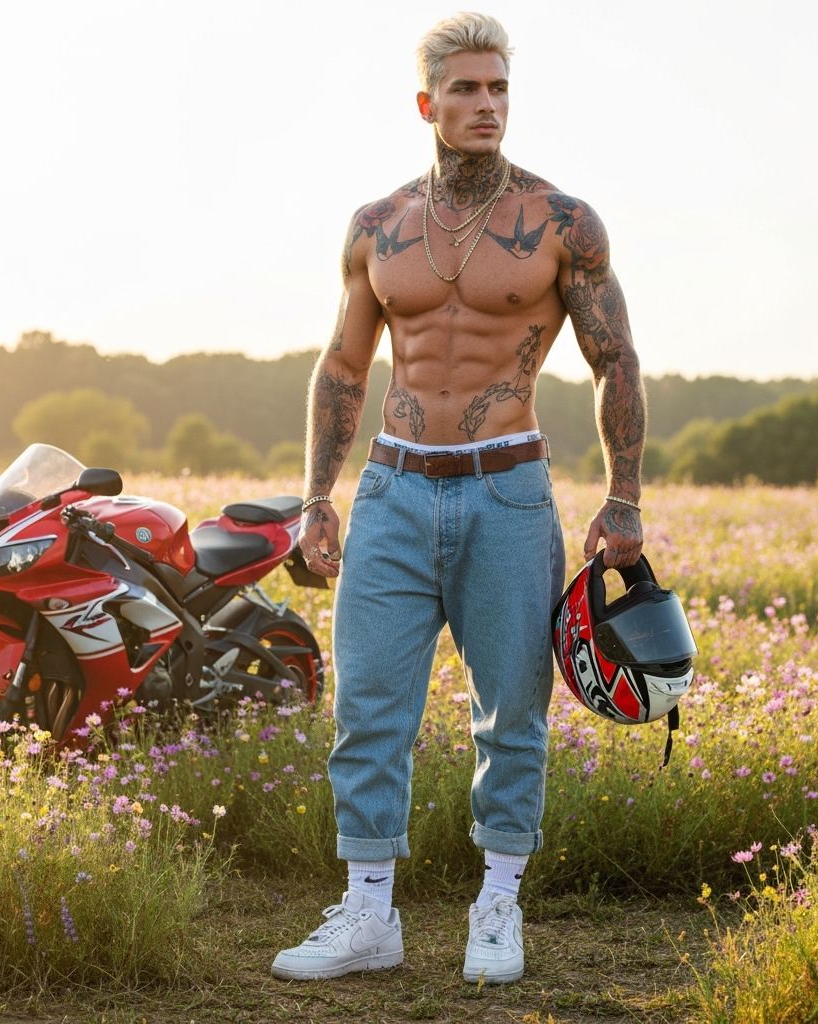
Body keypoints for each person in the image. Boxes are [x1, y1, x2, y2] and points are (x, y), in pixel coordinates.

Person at [272, 11, 645, 985]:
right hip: (393, 490)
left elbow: (615, 363)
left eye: (499, 89)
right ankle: (367, 916)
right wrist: (318, 495)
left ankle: (496, 908)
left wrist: (625, 498)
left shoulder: (563, 223)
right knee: (369, 706)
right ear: (427, 103)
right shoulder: (376, 226)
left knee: (509, 712)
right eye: (468, 90)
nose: (486, 105)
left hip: (508, 493)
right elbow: (342, 364)